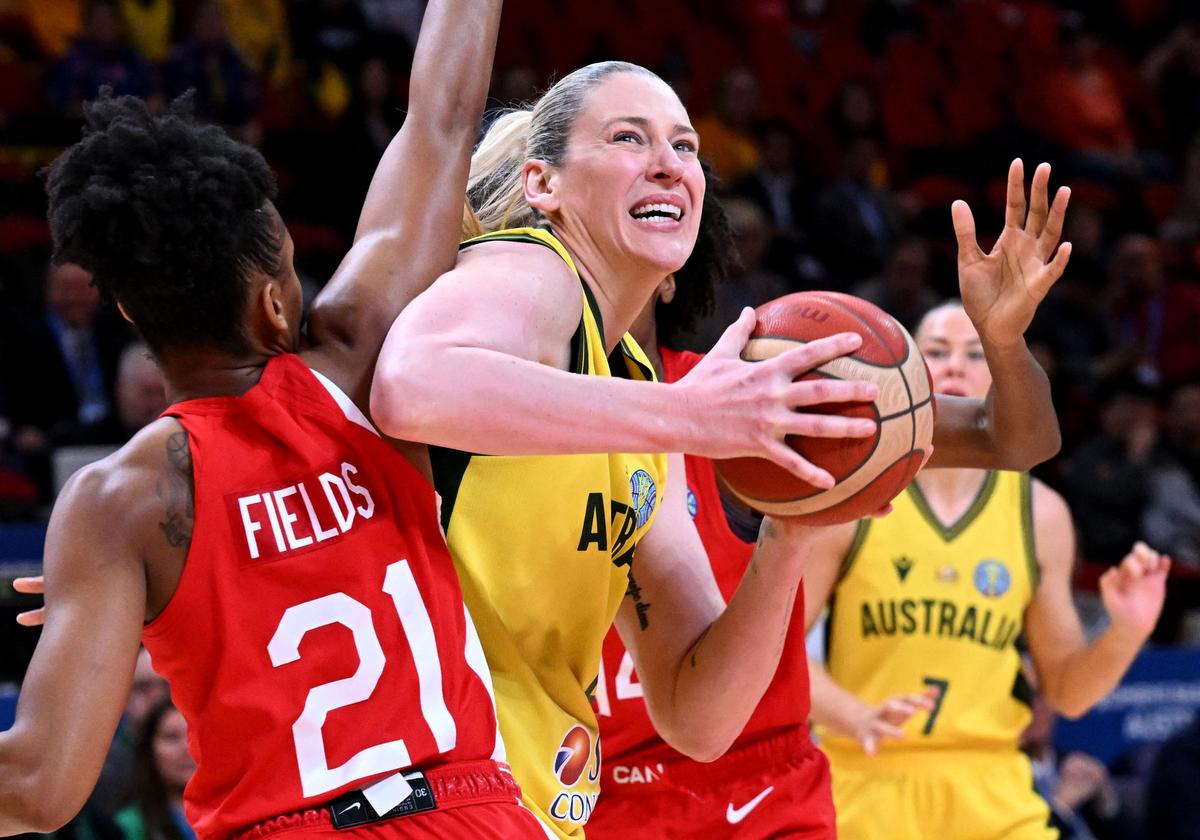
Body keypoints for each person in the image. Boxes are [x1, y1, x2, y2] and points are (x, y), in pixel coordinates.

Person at [370, 58, 1071, 838]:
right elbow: (411, 385)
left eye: (686, 145)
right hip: (446, 786)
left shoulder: (668, 405)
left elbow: (699, 718)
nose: (670, 162)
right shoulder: (536, 276)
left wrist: (790, 535)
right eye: (630, 138)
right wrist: (685, 416)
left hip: (546, 794)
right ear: (543, 187)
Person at [0, 2, 547, 838]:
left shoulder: (122, 503)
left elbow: (37, 785)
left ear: (124, 309)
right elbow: (441, 119)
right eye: (293, 267)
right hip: (465, 811)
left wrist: (107, 588)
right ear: (272, 303)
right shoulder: (360, 361)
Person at [803, 301, 1169, 840]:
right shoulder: (855, 495)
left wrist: (1127, 632)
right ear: (907, 369)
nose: (954, 365)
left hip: (993, 783)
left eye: (975, 353)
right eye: (936, 351)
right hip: (865, 773)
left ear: (1000, 373)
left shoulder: (1041, 511)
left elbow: (1066, 691)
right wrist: (855, 716)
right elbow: (777, 652)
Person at [113, 699, 197, 840]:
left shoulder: (235, 814)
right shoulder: (128, 827)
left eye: (194, 736)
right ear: (149, 750)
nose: (187, 748)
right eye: (171, 737)